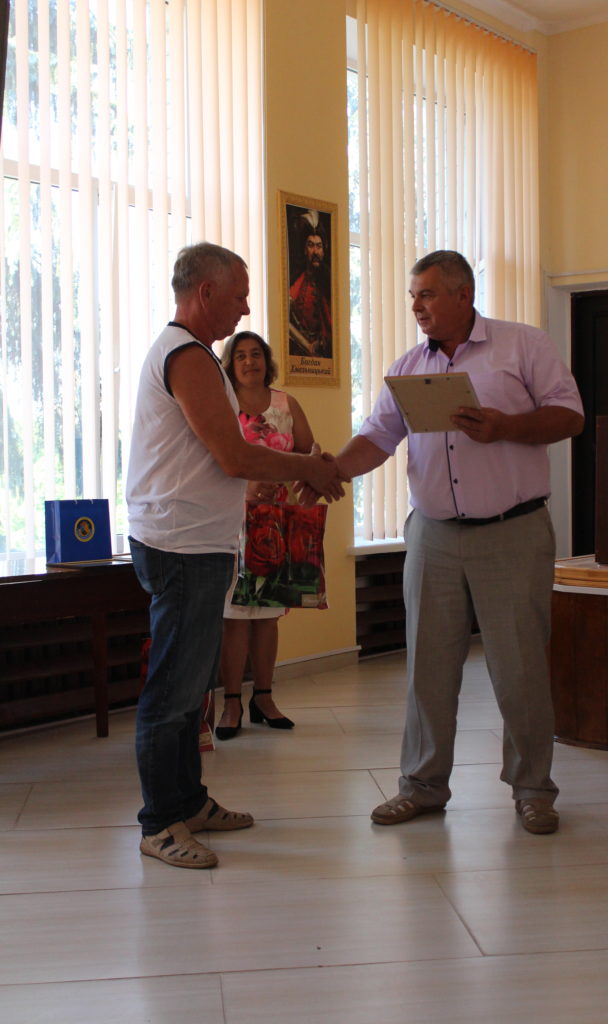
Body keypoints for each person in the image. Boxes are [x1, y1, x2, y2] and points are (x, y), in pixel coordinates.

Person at [298, 250, 584, 836]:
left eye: (426, 294)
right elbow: (378, 435)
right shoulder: (409, 367)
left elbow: (570, 415)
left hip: (512, 531)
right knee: (427, 668)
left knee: (520, 669)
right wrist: (331, 470)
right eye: (412, 296)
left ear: (462, 294)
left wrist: (506, 427)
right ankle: (422, 786)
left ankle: (533, 790)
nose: (416, 307)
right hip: (432, 535)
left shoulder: (521, 346)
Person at [126, 242, 344, 870]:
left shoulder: (194, 355)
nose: (246, 307)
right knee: (173, 690)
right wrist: (308, 467)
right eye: (240, 294)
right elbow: (234, 456)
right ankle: (159, 823)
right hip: (180, 544)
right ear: (206, 292)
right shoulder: (186, 356)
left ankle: (188, 802)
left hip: (196, 541)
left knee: (191, 685)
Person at [214, 330, 316, 740]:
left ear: (266, 360)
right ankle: (232, 703)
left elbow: (308, 453)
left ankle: (264, 698)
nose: (249, 362)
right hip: (231, 524)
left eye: (256, 354)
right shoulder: (221, 405)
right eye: (240, 355)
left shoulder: (286, 404)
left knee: (268, 616)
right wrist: (246, 487)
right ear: (230, 364)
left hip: (276, 522)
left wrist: (295, 479)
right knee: (235, 618)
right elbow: (208, 459)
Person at [288, 210, 332, 358]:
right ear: (304, 250)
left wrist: (320, 342)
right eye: (311, 245)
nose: (315, 251)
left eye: (319, 246)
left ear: (323, 251)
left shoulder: (327, 282)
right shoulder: (296, 280)